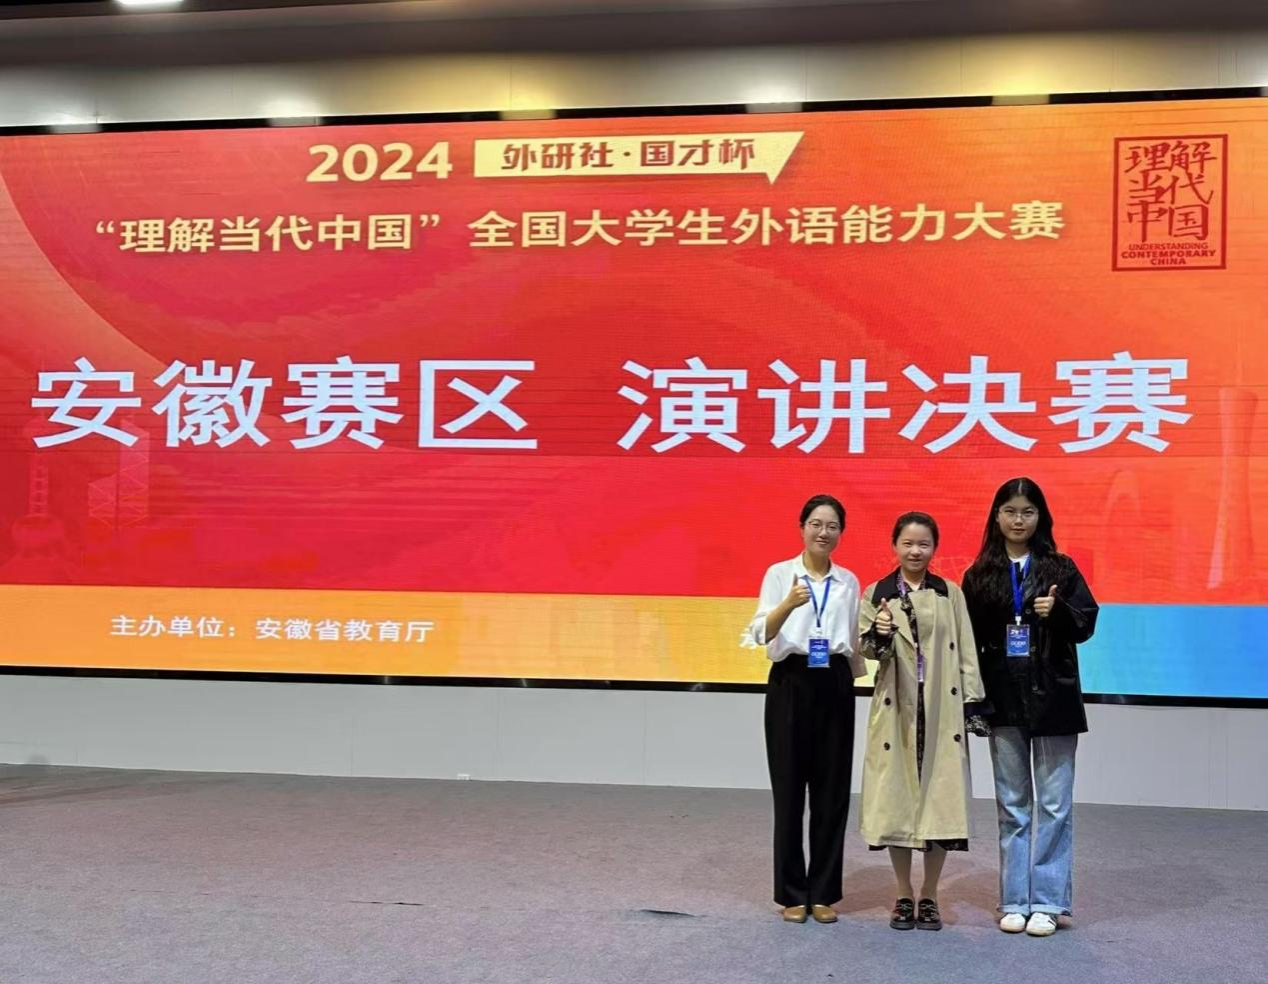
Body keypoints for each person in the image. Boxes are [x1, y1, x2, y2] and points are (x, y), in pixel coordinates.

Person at [961, 477, 1098, 938]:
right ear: (996, 516)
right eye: (1010, 511)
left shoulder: (1061, 567)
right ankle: (1015, 900)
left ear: (1041, 517)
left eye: (1027, 512)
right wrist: (975, 701)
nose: (1018, 520)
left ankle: (1049, 902)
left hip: (1054, 698)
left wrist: (1056, 613)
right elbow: (970, 643)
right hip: (1004, 702)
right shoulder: (979, 575)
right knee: (1012, 805)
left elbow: (1086, 625)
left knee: (1055, 804)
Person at [857, 512, 990, 932]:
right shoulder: (877, 592)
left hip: (940, 709)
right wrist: (879, 631)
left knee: (939, 799)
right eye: (908, 543)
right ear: (895, 546)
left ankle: (929, 894)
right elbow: (866, 651)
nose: (915, 551)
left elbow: (966, 647)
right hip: (896, 709)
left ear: (935, 548)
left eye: (924, 544)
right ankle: (902, 893)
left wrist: (972, 701)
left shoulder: (949, 592)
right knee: (896, 800)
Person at [744, 493, 864, 925]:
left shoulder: (849, 581)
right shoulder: (780, 574)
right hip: (791, 682)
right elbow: (759, 633)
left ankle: (825, 891)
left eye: (832, 526)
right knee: (790, 791)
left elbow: (854, 640)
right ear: (802, 528)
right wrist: (787, 605)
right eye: (816, 523)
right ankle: (793, 892)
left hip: (834, 681)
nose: (823, 532)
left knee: (832, 793)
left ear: (841, 533)